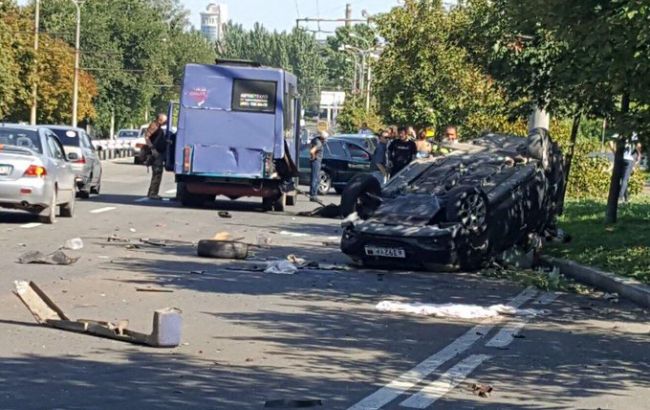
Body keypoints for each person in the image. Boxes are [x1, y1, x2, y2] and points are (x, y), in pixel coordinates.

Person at [145, 113, 168, 200]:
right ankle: (153, 193)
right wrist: (152, 149)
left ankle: (152, 192)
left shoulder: (158, 128)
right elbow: (147, 137)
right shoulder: (154, 126)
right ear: (160, 120)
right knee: (157, 173)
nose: (166, 122)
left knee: (157, 173)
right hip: (155, 154)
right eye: (165, 120)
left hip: (158, 153)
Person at [617, 134, 643, 203]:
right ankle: (620, 197)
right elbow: (638, 145)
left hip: (622, 159)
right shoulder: (634, 134)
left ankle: (627, 198)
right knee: (625, 180)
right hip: (629, 160)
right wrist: (639, 155)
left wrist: (615, 153)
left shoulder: (622, 134)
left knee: (623, 179)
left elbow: (611, 143)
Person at [309, 130, 327, 201]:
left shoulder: (315, 140)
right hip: (316, 162)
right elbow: (312, 151)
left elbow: (310, 147)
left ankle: (312, 194)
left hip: (314, 161)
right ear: (322, 138)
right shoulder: (319, 144)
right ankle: (313, 195)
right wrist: (314, 157)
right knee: (315, 179)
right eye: (325, 138)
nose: (326, 140)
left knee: (314, 178)